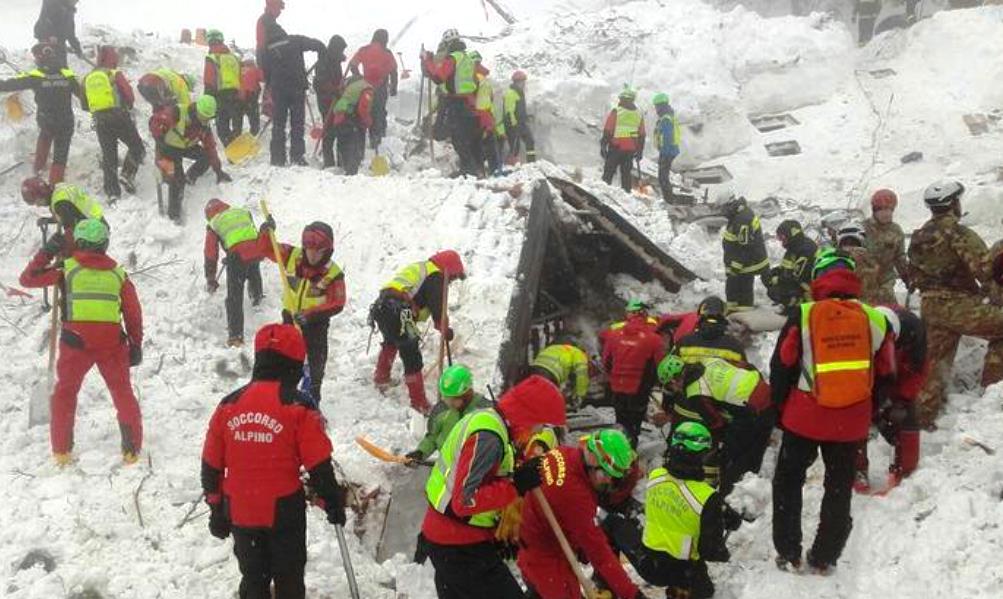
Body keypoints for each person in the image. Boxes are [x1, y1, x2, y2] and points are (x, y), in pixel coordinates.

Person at [769, 248, 895, 572]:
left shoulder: (804, 313)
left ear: (818, 278)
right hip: (850, 423)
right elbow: (887, 373)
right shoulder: (877, 318)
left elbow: (782, 365)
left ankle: (788, 551)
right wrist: (869, 411)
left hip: (804, 417)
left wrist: (780, 409)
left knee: (788, 481)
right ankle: (825, 557)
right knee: (839, 487)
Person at [200, 323, 347, 599]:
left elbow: (211, 465)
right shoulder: (298, 406)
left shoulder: (228, 404)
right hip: (283, 510)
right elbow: (318, 464)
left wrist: (216, 507)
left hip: (240, 509)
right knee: (288, 577)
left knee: (253, 577)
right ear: (294, 363)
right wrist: (332, 501)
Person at [419, 374, 566, 599]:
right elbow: (464, 501)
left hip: (451, 539)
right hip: (458, 547)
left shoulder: (489, 422)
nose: (537, 432)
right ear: (526, 415)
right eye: (539, 424)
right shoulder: (488, 437)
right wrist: (515, 486)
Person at [19, 218, 143, 465]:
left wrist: (47, 252)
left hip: (75, 342)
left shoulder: (67, 269)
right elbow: (133, 312)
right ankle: (131, 450)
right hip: (112, 343)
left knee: (65, 394)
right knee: (122, 393)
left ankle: (62, 452)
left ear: (78, 242)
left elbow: (28, 279)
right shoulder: (119, 274)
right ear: (105, 244)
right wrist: (136, 344)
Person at [907, 180, 1003, 429]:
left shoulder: (918, 237)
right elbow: (984, 270)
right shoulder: (959, 233)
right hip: (959, 306)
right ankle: (993, 396)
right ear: (953, 204)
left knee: (933, 369)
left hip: (930, 308)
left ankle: (917, 425)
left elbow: (913, 275)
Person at [603, 422, 730, 599]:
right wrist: (723, 551)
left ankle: (606, 584)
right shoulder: (708, 498)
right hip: (684, 573)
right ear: (703, 455)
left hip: (649, 564)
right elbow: (710, 551)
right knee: (703, 585)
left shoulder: (656, 476)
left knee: (612, 523)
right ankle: (684, 591)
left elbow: (678, 498)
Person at [517, 429, 648, 599]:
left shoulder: (564, 453)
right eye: (606, 475)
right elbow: (599, 554)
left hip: (537, 539)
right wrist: (633, 595)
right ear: (593, 461)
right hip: (546, 556)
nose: (608, 481)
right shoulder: (575, 496)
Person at [658, 354, 773, 496]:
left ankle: (730, 497)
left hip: (751, 412)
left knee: (731, 459)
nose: (674, 391)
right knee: (754, 452)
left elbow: (716, 424)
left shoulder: (695, 392)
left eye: (670, 386)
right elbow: (748, 367)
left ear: (674, 381)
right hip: (767, 395)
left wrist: (716, 444)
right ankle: (751, 491)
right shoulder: (709, 360)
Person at [259, 220, 346, 403]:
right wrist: (266, 233)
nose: (312, 255)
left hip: (315, 325)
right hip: (290, 319)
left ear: (327, 250)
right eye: (309, 249)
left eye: (318, 251)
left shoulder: (333, 273)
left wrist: (310, 314)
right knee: (285, 359)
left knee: (315, 364)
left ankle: (312, 400)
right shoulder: (291, 255)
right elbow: (266, 249)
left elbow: (338, 302)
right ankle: (285, 398)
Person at [370, 250, 466, 413]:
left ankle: (381, 377)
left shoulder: (423, 268)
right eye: (453, 277)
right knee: (411, 355)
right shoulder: (436, 277)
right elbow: (438, 310)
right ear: (449, 270)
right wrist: (445, 329)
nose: (451, 282)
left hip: (382, 307)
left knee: (390, 342)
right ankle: (419, 402)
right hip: (400, 311)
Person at [854, 304, 926, 492]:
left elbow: (918, 370)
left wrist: (903, 398)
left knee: (907, 418)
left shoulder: (914, 329)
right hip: (868, 379)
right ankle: (857, 469)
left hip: (900, 376)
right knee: (856, 417)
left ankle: (905, 470)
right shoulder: (861, 329)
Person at [0, 43, 80, 184]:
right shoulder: (67, 74)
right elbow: (83, 95)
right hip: (65, 120)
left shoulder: (36, 76)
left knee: (45, 137)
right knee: (61, 154)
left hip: (46, 119)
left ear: (39, 58)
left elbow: (9, 85)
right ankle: (55, 185)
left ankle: (38, 170)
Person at [149, 94, 232, 222]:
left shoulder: (204, 127)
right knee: (176, 180)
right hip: (167, 148)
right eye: (203, 117)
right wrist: (160, 139)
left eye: (208, 118)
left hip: (185, 146)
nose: (205, 121)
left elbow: (211, 149)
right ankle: (174, 215)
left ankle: (190, 176)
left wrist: (218, 170)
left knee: (206, 157)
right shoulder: (176, 113)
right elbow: (154, 121)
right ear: (197, 110)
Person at [80, 46, 145, 200]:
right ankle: (127, 174)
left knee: (109, 156)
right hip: (119, 116)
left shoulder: (88, 78)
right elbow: (129, 95)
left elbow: (84, 104)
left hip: (100, 120)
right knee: (137, 147)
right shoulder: (115, 74)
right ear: (113, 58)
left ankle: (112, 193)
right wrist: (127, 107)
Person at [421, 32, 485, 177]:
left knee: (459, 138)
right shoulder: (467, 57)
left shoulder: (453, 58)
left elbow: (438, 77)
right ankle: (477, 169)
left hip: (457, 102)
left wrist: (428, 61)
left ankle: (468, 170)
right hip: (470, 102)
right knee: (470, 138)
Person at [203, 199, 266, 347]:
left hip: (237, 257)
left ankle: (235, 337)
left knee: (234, 298)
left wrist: (211, 278)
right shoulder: (242, 212)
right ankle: (257, 297)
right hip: (256, 249)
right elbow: (246, 234)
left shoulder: (214, 223)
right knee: (253, 270)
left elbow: (210, 253)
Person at [260, 24, 325, 166]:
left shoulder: (267, 50)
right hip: (296, 89)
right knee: (297, 124)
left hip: (278, 91)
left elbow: (265, 73)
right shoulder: (295, 40)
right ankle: (297, 157)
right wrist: (322, 57)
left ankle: (277, 159)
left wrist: (272, 84)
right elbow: (319, 45)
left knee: (278, 125)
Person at [601, 307, 666, 446]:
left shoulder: (614, 334)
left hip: (617, 385)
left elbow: (606, 359)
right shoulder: (654, 339)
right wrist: (659, 383)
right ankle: (630, 450)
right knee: (634, 422)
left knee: (621, 419)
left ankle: (617, 446)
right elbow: (660, 365)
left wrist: (611, 376)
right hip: (639, 388)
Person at [405, 364, 493, 464]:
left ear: (467, 394)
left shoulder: (485, 413)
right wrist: (421, 452)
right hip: (446, 467)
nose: (448, 402)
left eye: (453, 399)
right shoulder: (442, 411)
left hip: (473, 468)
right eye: (446, 398)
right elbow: (433, 437)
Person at [348, 28, 398, 151]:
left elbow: (353, 65)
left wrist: (359, 79)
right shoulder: (387, 53)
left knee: (364, 111)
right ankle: (377, 140)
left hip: (365, 88)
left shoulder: (364, 50)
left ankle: (360, 140)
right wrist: (393, 87)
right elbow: (393, 72)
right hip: (380, 89)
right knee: (379, 113)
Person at [21, 178, 106, 246]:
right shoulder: (59, 189)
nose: (38, 205)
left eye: (37, 201)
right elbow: (70, 214)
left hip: (95, 232)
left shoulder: (60, 204)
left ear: (42, 194)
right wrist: (49, 220)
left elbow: (71, 231)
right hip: (96, 222)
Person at [863, 189, 910, 306]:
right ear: (875, 211)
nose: (886, 213)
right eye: (882, 209)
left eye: (889, 209)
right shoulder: (862, 229)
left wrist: (908, 278)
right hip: (864, 287)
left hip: (886, 288)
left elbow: (900, 258)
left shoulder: (896, 231)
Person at [721, 196, 769, 311]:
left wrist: (735, 268)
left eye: (723, 209)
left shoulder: (742, 220)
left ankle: (739, 315)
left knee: (740, 291)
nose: (722, 212)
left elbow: (745, 247)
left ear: (730, 205)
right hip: (744, 263)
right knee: (740, 291)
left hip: (745, 265)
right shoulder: (740, 215)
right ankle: (739, 314)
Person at [764, 219, 818, 313]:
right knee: (769, 281)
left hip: (807, 287)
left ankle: (797, 306)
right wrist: (773, 272)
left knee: (776, 290)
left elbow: (798, 276)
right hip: (795, 282)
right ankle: (791, 303)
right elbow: (785, 267)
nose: (782, 241)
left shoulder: (806, 249)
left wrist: (777, 279)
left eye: (783, 237)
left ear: (791, 234)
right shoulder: (793, 247)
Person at [677, 296, 748, 366]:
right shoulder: (734, 346)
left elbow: (667, 371)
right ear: (724, 315)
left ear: (700, 315)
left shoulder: (684, 342)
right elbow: (747, 374)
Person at [327, 75, 373, 175]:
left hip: (339, 119)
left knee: (343, 145)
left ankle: (342, 168)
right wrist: (368, 121)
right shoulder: (367, 89)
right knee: (353, 147)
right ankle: (351, 173)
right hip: (348, 119)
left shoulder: (353, 86)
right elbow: (363, 109)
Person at [601, 88, 645, 193]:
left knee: (609, 172)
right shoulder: (638, 114)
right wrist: (640, 151)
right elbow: (642, 134)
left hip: (616, 146)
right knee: (626, 174)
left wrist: (603, 144)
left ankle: (603, 192)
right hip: (630, 149)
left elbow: (608, 129)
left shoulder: (617, 111)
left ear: (622, 99)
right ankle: (626, 194)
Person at [203, 29, 242, 146]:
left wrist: (207, 99)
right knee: (236, 125)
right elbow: (241, 76)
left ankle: (232, 150)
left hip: (221, 96)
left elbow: (209, 80)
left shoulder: (212, 57)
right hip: (236, 95)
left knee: (222, 127)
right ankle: (240, 147)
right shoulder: (234, 58)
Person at [314, 35, 347, 167]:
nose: (342, 53)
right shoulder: (323, 62)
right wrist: (333, 90)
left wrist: (341, 88)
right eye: (340, 50)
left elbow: (338, 78)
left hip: (336, 100)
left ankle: (341, 162)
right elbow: (320, 82)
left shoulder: (335, 61)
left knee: (340, 130)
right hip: (326, 101)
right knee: (329, 131)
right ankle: (329, 163)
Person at [471, 56, 505, 176]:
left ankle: (479, 172)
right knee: (491, 147)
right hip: (487, 117)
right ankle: (495, 171)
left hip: (476, 117)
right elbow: (491, 100)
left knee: (476, 147)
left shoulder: (473, 79)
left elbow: (470, 99)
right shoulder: (486, 81)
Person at [530, 343, 591, 409]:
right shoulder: (579, 354)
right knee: (548, 401)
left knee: (535, 395)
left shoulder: (561, 348)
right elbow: (582, 376)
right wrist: (580, 395)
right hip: (551, 371)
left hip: (536, 367)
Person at [835, 224, 883, 305]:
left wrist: (860, 261)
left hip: (867, 306)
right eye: (846, 244)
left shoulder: (870, 262)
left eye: (853, 244)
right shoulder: (835, 262)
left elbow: (876, 279)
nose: (850, 247)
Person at [34, 0, 82, 68]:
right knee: (48, 62)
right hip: (46, 38)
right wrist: (51, 34)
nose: (75, 2)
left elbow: (71, 33)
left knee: (62, 65)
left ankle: (62, 76)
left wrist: (77, 49)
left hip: (60, 41)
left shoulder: (70, 11)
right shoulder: (53, 3)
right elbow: (45, 18)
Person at [652, 92, 680, 202]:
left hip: (668, 150)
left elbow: (668, 137)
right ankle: (669, 198)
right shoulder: (668, 116)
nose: (656, 109)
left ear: (661, 106)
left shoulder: (666, 119)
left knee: (663, 177)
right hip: (669, 150)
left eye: (656, 106)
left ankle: (669, 200)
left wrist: (665, 152)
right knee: (663, 176)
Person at [503, 70, 535, 164]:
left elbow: (520, 109)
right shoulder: (511, 93)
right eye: (522, 81)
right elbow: (509, 111)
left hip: (521, 124)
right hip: (514, 125)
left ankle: (532, 163)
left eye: (524, 81)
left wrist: (526, 117)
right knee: (514, 147)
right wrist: (514, 124)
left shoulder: (520, 93)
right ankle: (511, 165)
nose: (524, 84)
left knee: (530, 141)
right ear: (517, 82)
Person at [236, 58, 264, 136]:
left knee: (237, 124)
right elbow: (263, 78)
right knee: (254, 124)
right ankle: (251, 139)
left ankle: (236, 140)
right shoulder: (255, 69)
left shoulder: (238, 69)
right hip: (251, 97)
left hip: (239, 98)